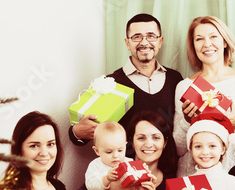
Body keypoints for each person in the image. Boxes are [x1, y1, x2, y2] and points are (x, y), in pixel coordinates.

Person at [69, 13, 183, 150]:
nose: (144, 42)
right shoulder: (111, 83)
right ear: (127, 43)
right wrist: (76, 132)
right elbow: (79, 133)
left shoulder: (175, 78)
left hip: (169, 167)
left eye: (151, 36)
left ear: (160, 41)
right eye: (137, 37)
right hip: (127, 168)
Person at [173, 15, 235, 177]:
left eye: (213, 36)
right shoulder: (184, 87)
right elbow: (178, 149)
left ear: (225, 42)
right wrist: (186, 121)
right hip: (194, 177)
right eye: (199, 39)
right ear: (193, 45)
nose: (207, 44)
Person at [125, 110, 178, 190]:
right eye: (141, 138)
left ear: (164, 143)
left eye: (156, 138)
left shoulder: (172, 186)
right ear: (132, 142)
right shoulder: (117, 178)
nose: (148, 144)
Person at [85, 121, 132, 190]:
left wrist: (143, 172)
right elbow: (91, 187)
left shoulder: (129, 163)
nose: (115, 156)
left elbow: (137, 185)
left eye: (120, 150)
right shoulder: (95, 165)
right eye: (109, 152)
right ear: (97, 151)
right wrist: (106, 179)